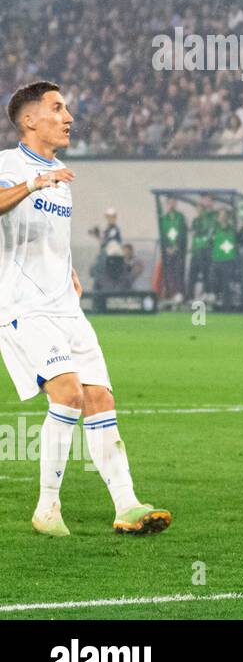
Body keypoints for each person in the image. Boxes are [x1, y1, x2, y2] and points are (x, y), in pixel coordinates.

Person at [0, 81, 171, 536]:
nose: (69, 116)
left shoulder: (61, 176)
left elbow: (52, 239)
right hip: (24, 307)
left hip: (66, 308)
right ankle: (47, 508)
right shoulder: (9, 165)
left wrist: (71, 269)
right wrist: (35, 182)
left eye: (68, 108)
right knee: (69, 393)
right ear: (30, 119)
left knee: (100, 399)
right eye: (57, 108)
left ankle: (127, 504)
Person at [158, 196, 188, 302]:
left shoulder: (180, 217)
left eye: (173, 202)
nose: (171, 204)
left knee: (178, 272)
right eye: (169, 202)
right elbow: (163, 236)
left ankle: (180, 294)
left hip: (178, 251)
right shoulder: (163, 219)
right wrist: (167, 248)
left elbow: (182, 233)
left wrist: (176, 247)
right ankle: (171, 294)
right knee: (169, 273)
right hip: (167, 251)